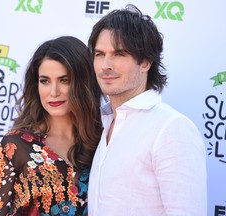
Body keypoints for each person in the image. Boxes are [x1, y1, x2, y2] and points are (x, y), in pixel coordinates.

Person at [87, 4, 207, 216]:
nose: (105, 65)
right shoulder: (105, 122)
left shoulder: (171, 128)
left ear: (145, 62)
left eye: (119, 54)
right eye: (99, 54)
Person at [0, 36, 103, 216]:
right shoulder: (14, 146)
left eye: (64, 80)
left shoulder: (103, 142)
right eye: (45, 81)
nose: (53, 92)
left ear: (83, 83)